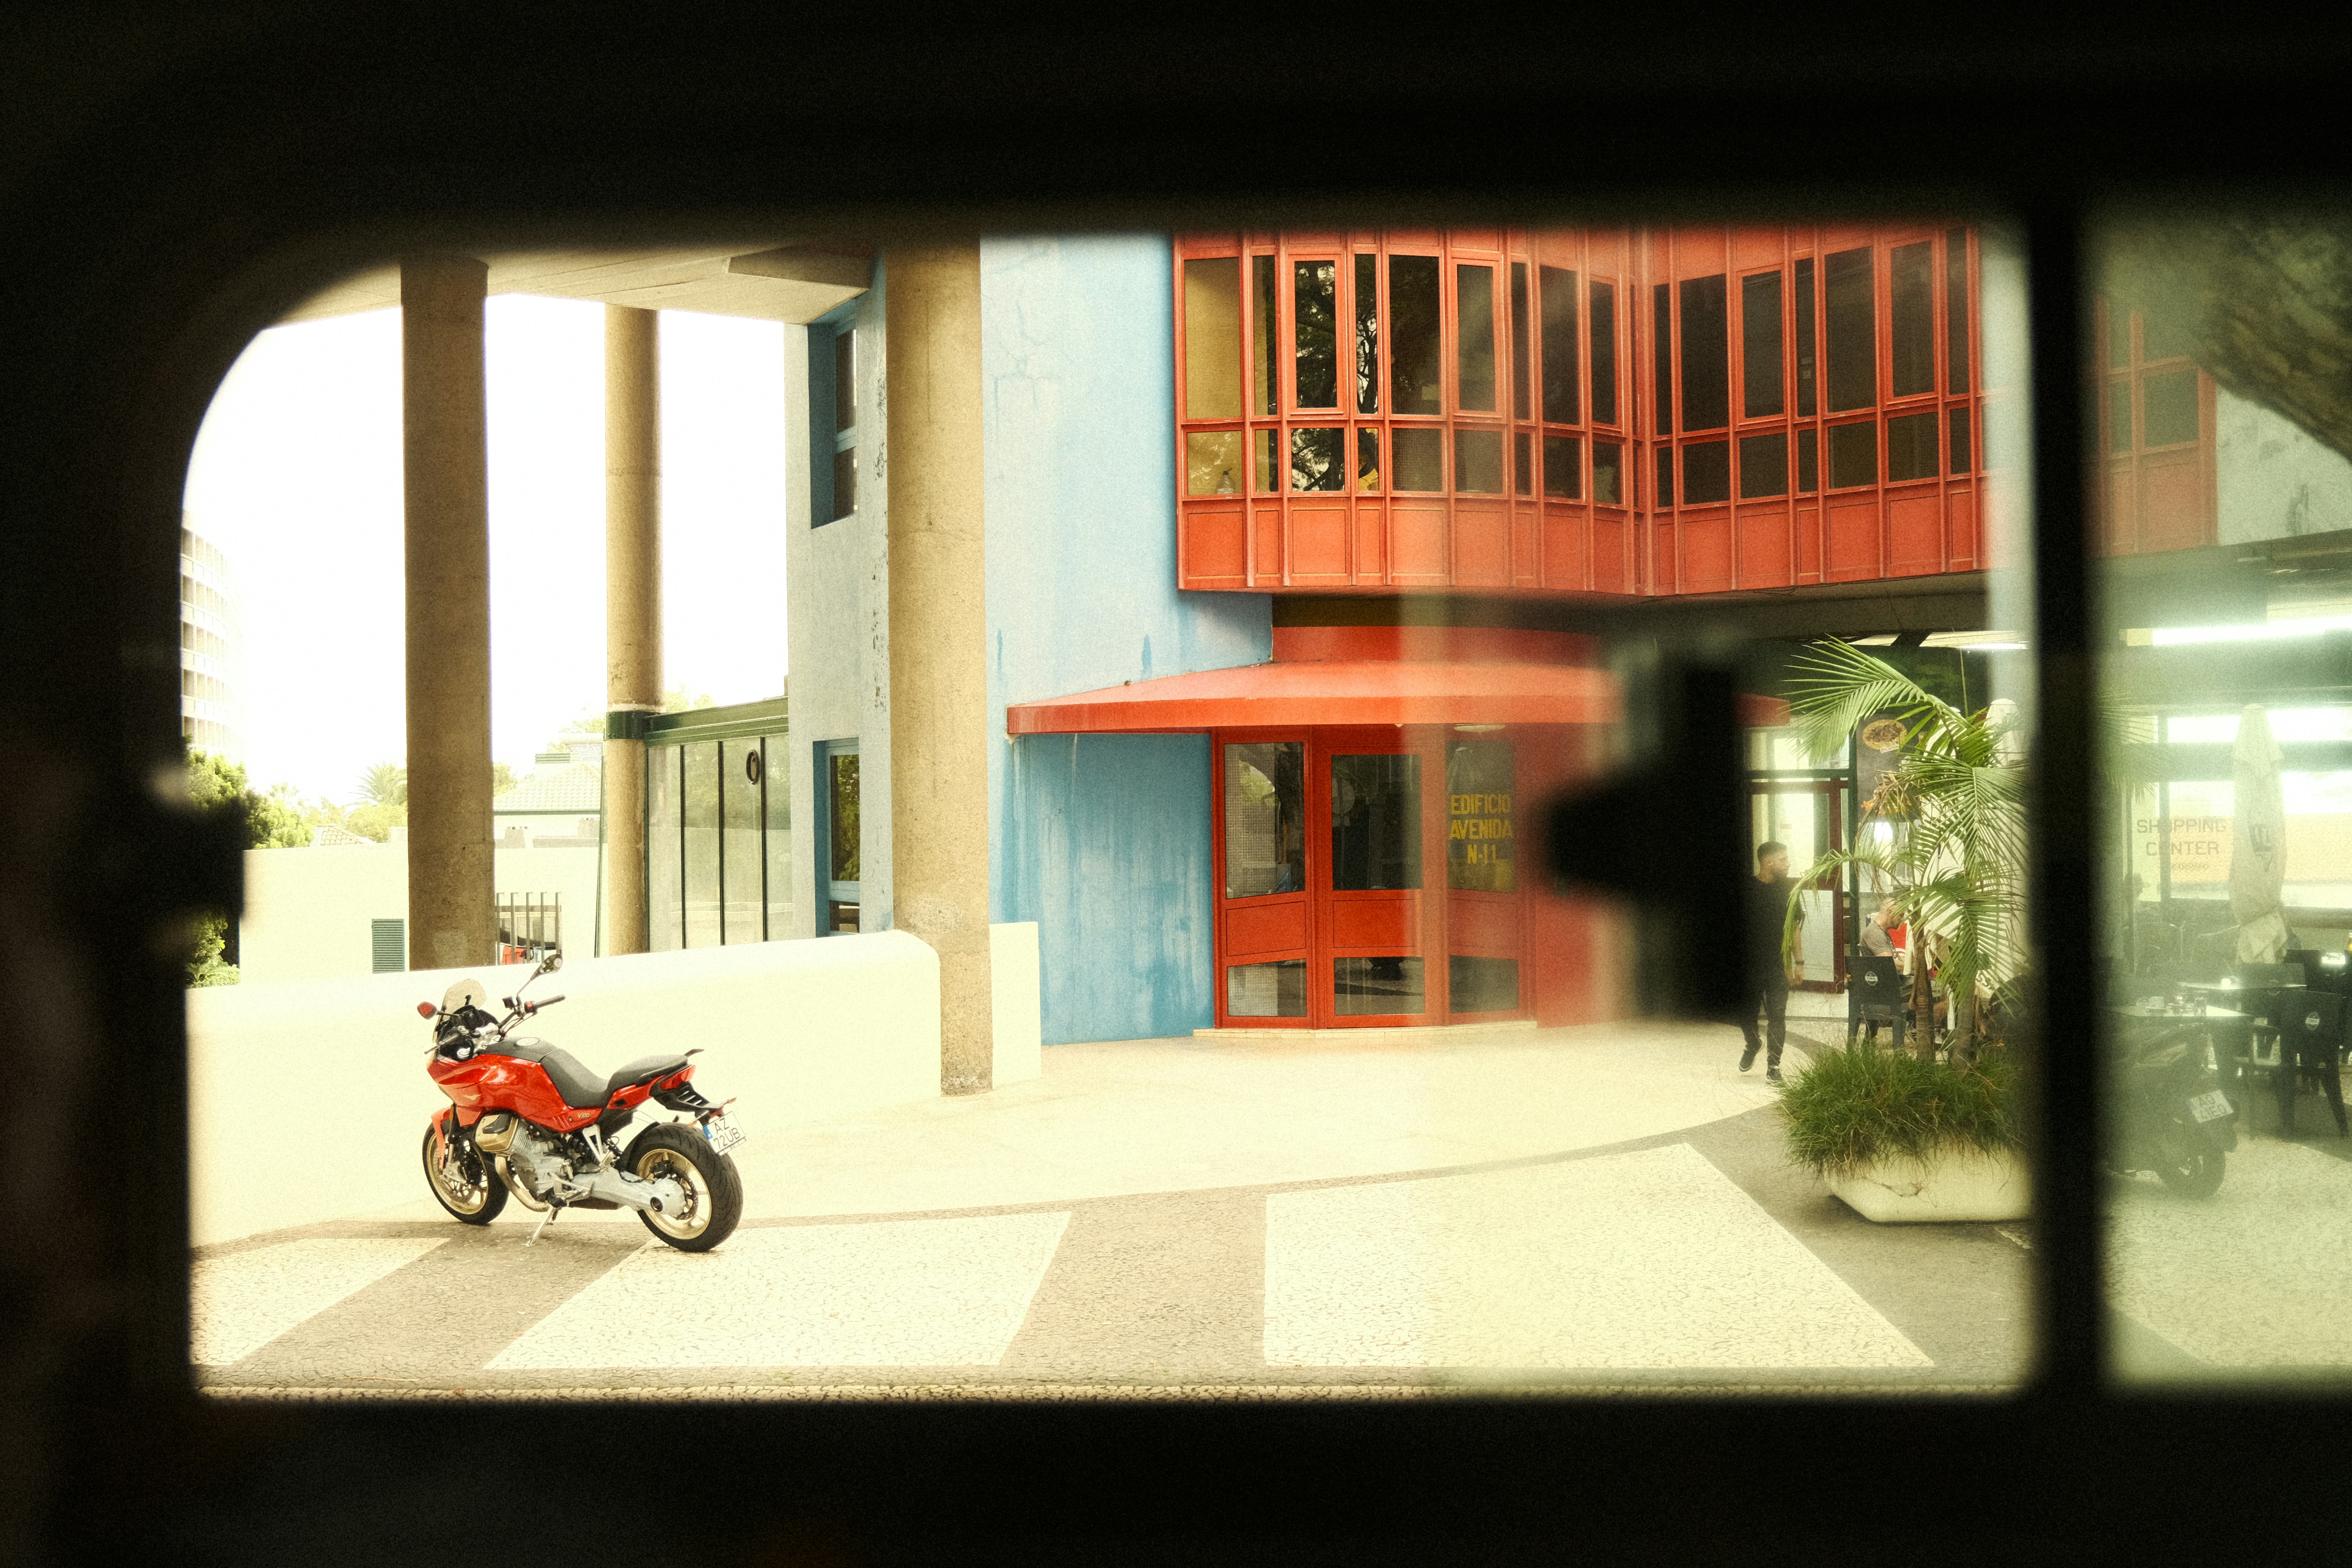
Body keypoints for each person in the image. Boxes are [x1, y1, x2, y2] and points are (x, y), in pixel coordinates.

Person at [1740, 841, 1797, 1084]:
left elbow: (1795, 927)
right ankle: (1753, 1042)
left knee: (1777, 1016)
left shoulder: (1788, 890)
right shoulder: (1747, 889)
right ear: (1768, 862)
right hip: (1748, 965)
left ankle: (1774, 1067)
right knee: (1744, 1014)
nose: (1788, 863)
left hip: (1777, 965)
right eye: (1783, 859)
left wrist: (1799, 962)